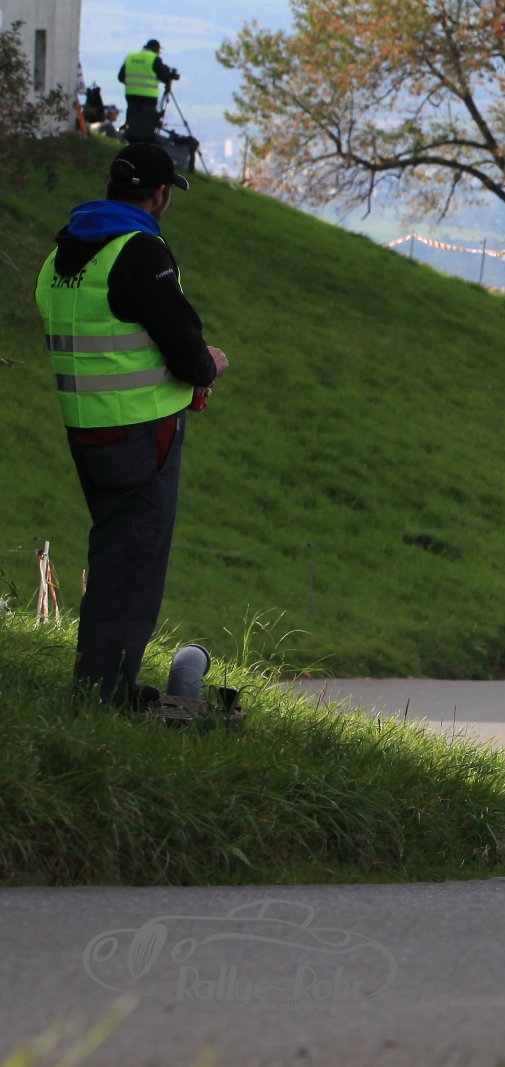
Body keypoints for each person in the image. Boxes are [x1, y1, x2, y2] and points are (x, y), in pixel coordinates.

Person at [34, 143, 227, 708]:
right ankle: (102, 695)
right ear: (160, 194)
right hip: (142, 434)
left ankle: (105, 685)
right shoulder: (140, 251)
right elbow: (186, 349)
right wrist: (211, 365)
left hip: (86, 431)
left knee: (116, 552)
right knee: (132, 565)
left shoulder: (62, 256)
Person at [117, 39, 177, 144]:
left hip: (131, 95)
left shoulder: (130, 57)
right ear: (156, 49)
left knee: (134, 117)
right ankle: (146, 140)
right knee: (147, 119)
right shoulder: (154, 59)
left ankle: (132, 137)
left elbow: (121, 77)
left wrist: (133, 84)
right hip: (148, 96)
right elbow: (165, 77)